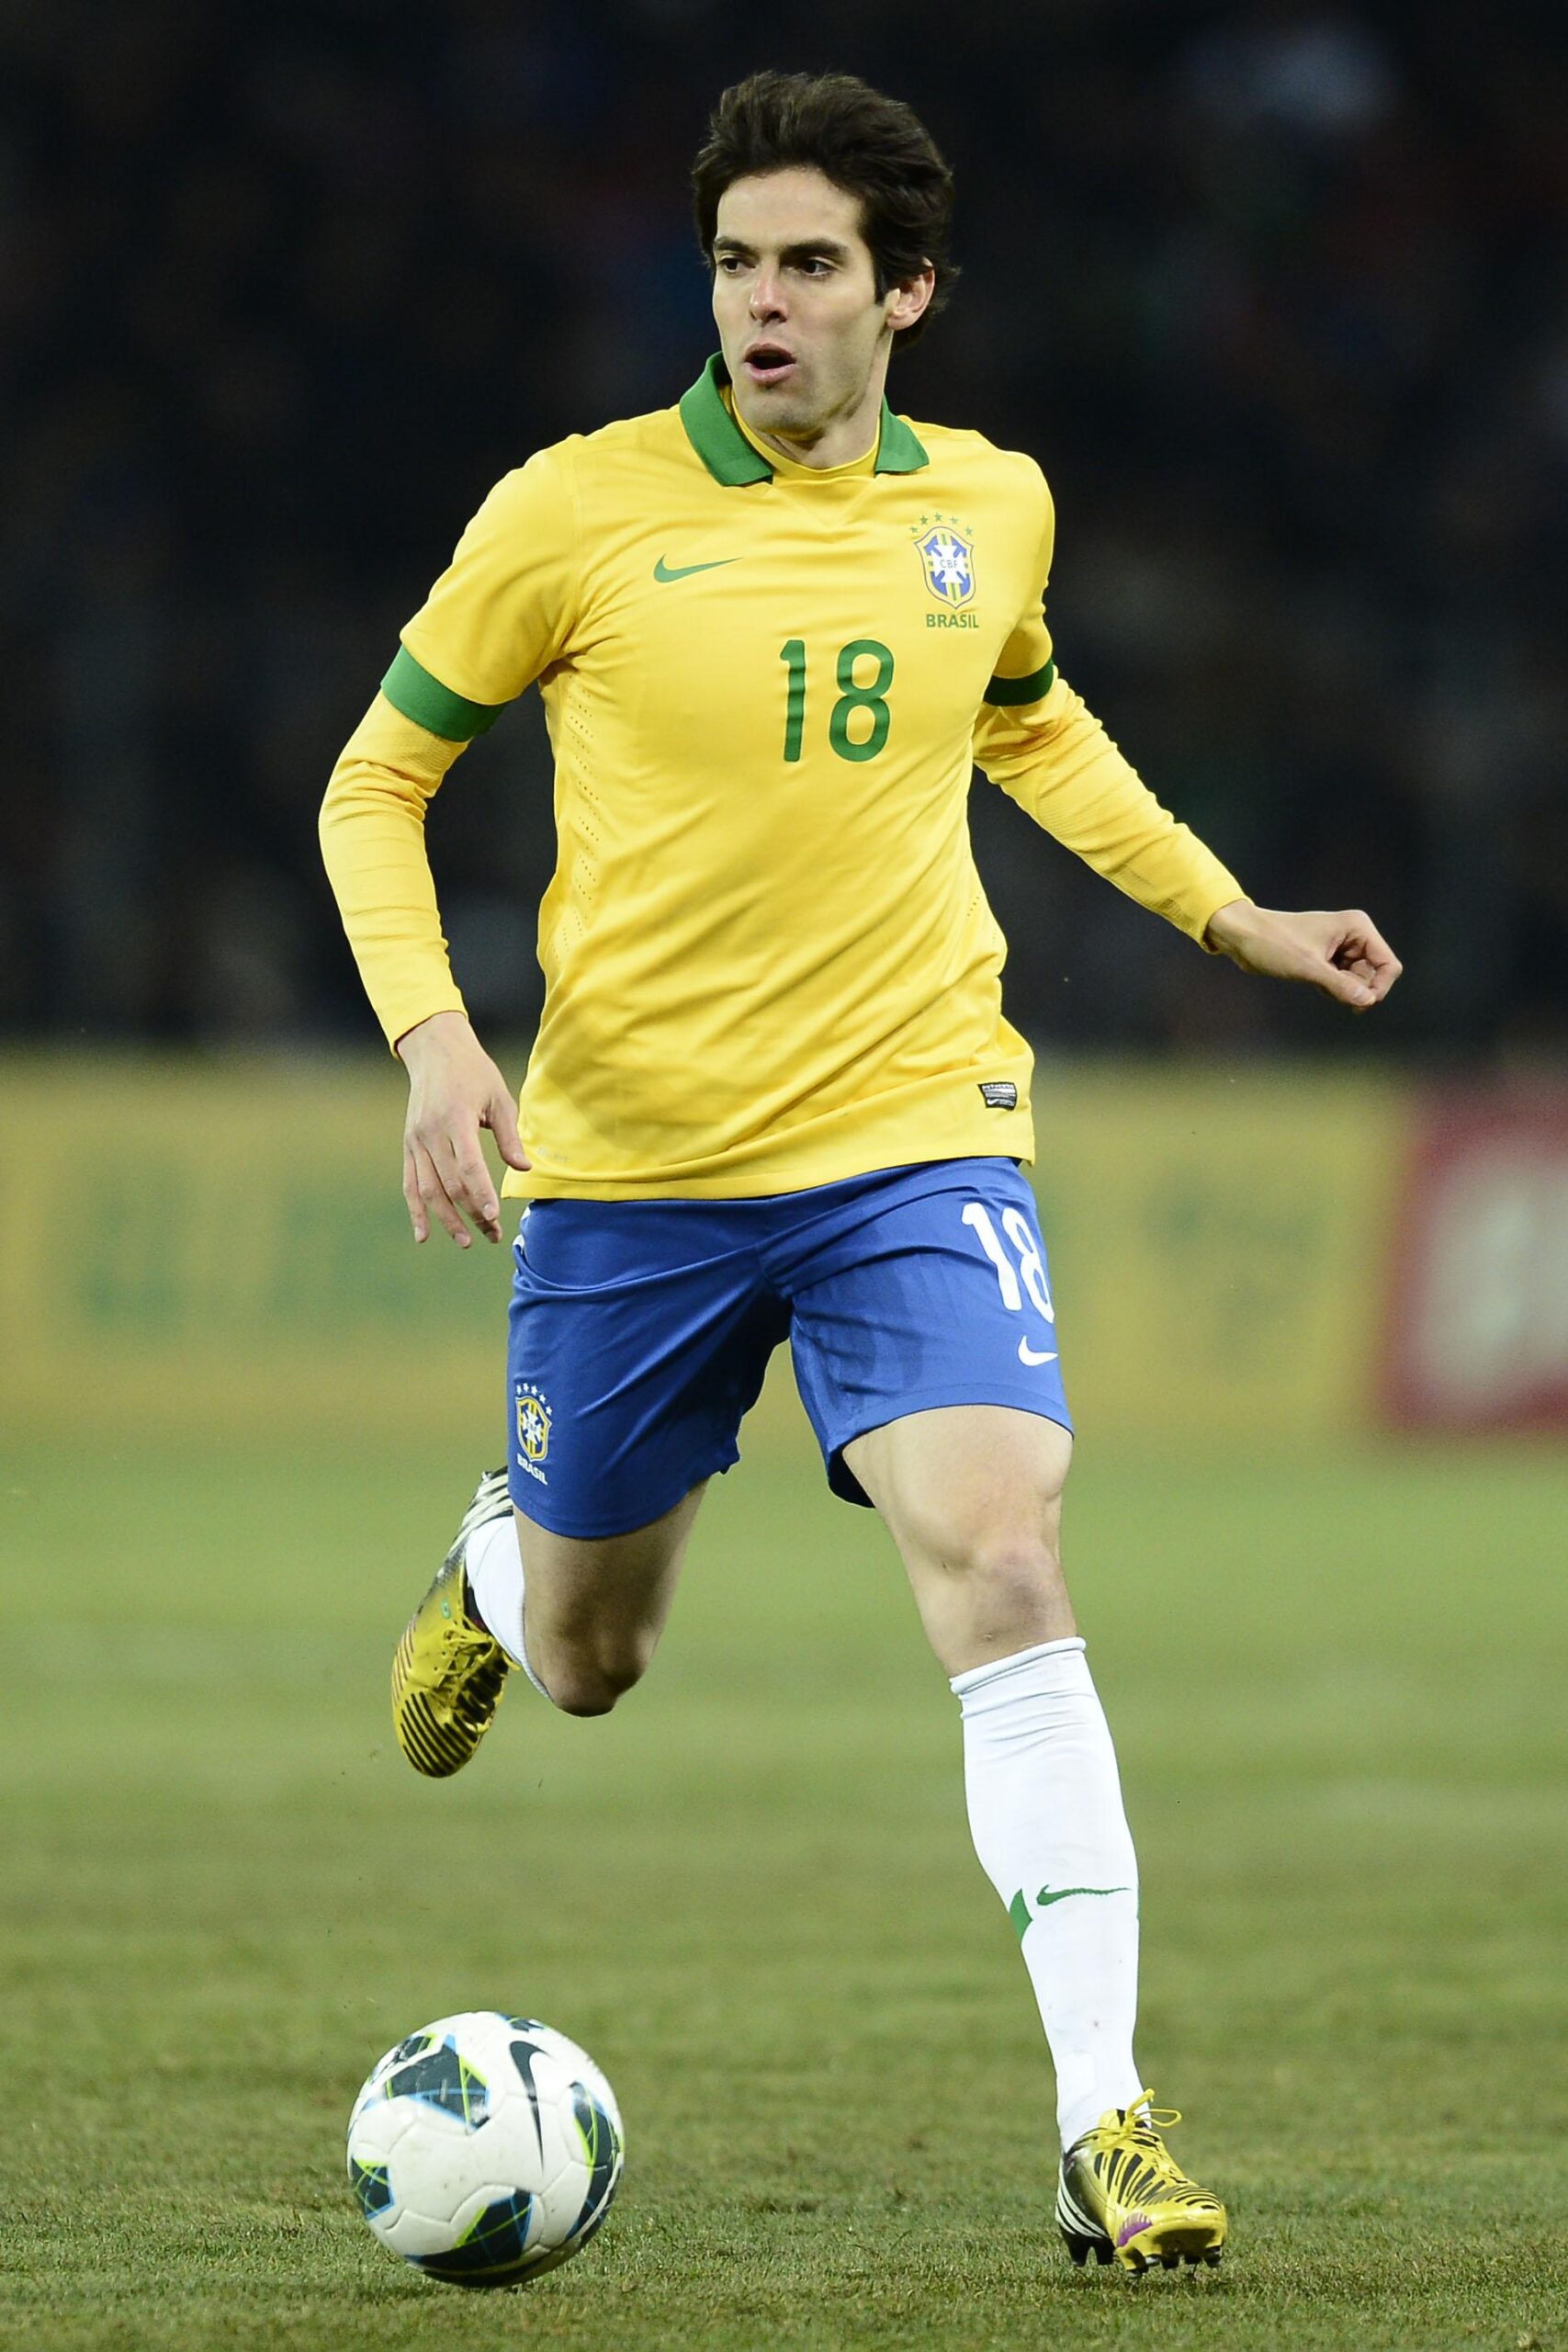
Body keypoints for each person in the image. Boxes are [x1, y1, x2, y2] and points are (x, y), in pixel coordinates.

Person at [320, 68, 1400, 2275]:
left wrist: (1225, 913)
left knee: (1000, 1548)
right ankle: (504, 1567)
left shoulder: (989, 504)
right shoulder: (572, 511)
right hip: (633, 1169)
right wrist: (435, 1044)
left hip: (911, 1129)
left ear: (904, 290)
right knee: (597, 1657)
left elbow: (1024, 718)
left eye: (809, 264)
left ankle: (1102, 2117)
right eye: (734, 262)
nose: (761, 302)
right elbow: (375, 780)